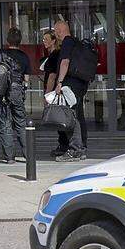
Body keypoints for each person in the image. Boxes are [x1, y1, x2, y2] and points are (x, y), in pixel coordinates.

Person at [0, 27, 31, 164]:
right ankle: (27, 155)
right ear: (20, 41)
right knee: (21, 123)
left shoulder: (0, 54)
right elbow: (27, 79)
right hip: (16, 91)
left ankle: (9, 157)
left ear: (7, 40)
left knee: (4, 123)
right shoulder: (24, 56)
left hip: (1, 93)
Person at [53, 21, 89, 162]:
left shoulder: (67, 42)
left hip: (70, 86)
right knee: (78, 116)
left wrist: (59, 82)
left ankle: (75, 150)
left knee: (71, 116)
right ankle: (81, 147)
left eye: (56, 31)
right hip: (79, 85)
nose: (56, 34)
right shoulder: (76, 42)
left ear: (61, 30)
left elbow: (65, 62)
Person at [40, 30, 65, 157]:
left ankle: (63, 145)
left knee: (58, 118)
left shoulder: (54, 55)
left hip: (54, 91)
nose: (44, 41)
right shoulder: (54, 55)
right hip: (57, 90)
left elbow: (52, 76)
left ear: (53, 40)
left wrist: (47, 94)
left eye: (46, 39)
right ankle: (63, 144)